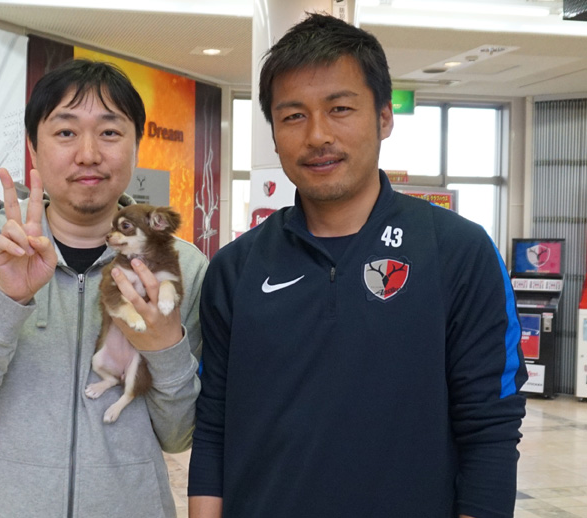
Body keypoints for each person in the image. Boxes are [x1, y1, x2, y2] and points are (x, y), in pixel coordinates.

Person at [188, 12, 527, 518]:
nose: (317, 135)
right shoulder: (236, 268)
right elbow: (214, 426)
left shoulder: (458, 251)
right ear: (274, 133)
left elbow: (491, 428)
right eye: (293, 116)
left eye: (340, 108)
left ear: (384, 117)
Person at [0, 59, 208, 517]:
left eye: (110, 132)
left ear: (136, 147)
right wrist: (5, 303)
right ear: (33, 148)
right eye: (65, 132)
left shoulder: (180, 267)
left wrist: (165, 348)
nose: (88, 153)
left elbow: (179, 435)